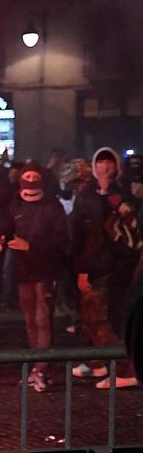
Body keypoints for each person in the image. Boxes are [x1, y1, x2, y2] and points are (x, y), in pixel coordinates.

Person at [0, 163, 70, 392]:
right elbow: (4, 226)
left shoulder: (52, 206)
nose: (31, 181)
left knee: (42, 318)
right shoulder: (15, 202)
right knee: (29, 319)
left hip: (46, 269)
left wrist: (31, 246)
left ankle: (42, 369)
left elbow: (61, 240)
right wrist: (0, 239)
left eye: (35, 177)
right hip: (23, 269)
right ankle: (37, 365)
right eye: (27, 176)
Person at [71, 147, 141, 389]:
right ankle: (99, 361)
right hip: (94, 264)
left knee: (111, 317)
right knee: (90, 315)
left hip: (119, 265)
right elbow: (79, 231)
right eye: (100, 163)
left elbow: (132, 225)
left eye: (109, 163)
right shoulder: (86, 194)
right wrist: (80, 266)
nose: (104, 167)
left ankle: (123, 368)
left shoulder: (124, 195)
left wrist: (110, 193)